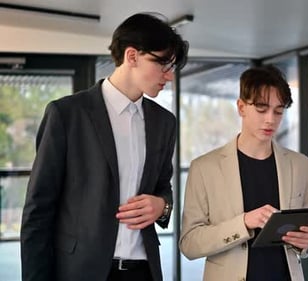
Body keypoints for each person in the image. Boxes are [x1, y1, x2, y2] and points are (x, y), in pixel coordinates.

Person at [20, 12, 188, 281]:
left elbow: (162, 187)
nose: (168, 77)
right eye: (163, 65)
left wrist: (161, 206)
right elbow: (38, 212)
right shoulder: (66, 114)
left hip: (143, 271)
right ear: (132, 56)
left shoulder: (164, 122)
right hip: (80, 270)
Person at [179, 65, 308, 281]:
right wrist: (243, 222)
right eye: (262, 109)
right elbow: (189, 243)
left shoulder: (302, 166)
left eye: (279, 111)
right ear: (241, 107)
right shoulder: (204, 168)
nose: (270, 119)